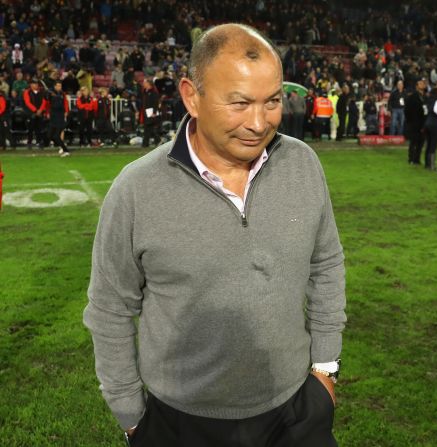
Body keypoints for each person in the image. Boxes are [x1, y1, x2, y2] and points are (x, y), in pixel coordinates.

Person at [84, 23, 346, 447]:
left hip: (298, 412)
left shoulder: (302, 164)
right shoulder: (137, 189)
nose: (259, 123)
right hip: (182, 425)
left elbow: (326, 263)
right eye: (240, 103)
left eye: (273, 101)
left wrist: (325, 369)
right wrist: (132, 416)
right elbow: (110, 309)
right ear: (192, 96)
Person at [404, 77, 427, 165]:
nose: (423, 84)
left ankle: (417, 159)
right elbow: (407, 110)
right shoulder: (412, 97)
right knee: (413, 142)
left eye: (423, 83)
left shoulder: (424, 97)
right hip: (414, 124)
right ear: (416, 86)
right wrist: (410, 121)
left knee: (421, 142)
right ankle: (411, 159)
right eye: (420, 83)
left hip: (423, 123)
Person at [423, 87, 437, 171]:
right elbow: (436, 110)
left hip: (428, 123)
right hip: (434, 124)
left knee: (429, 144)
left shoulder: (429, 100)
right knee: (433, 145)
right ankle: (432, 166)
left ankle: (427, 164)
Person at [46, 81, 70, 157]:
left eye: (60, 86)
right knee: (50, 135)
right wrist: (47, 112)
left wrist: (66, 111)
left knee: (56, 135)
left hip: (60, 116)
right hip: (53, 115)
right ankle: (62, 146)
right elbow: (47, 103)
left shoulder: (63, 94)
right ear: (55, 86)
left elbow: (65, 103)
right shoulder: (50, 93)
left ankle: (65, 149)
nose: (59, 87)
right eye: (58, 86)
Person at [23, 78, 47, 149]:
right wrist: (35, 110)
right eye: (34, 83)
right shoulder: (27, 92)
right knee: (31, 128)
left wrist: (40, 110)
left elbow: (44, 101)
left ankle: (39, 142)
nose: (35, 85)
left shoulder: (42, 91)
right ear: (31, 84)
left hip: (40, 112)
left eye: (36, 84)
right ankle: (29, 142)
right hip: (31, 113)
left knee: (40, 128)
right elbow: (27, 103)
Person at [140, 79, 160, 148]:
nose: (143, 84)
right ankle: (149, 142)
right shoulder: (146, 92)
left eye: (144, 82)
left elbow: (156, 103)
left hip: (151, 112)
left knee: (149, 127)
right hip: (146, 112)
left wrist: (154, 112)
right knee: (148, 127)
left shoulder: (153, 92)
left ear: (148, 84)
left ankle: (146, 143)